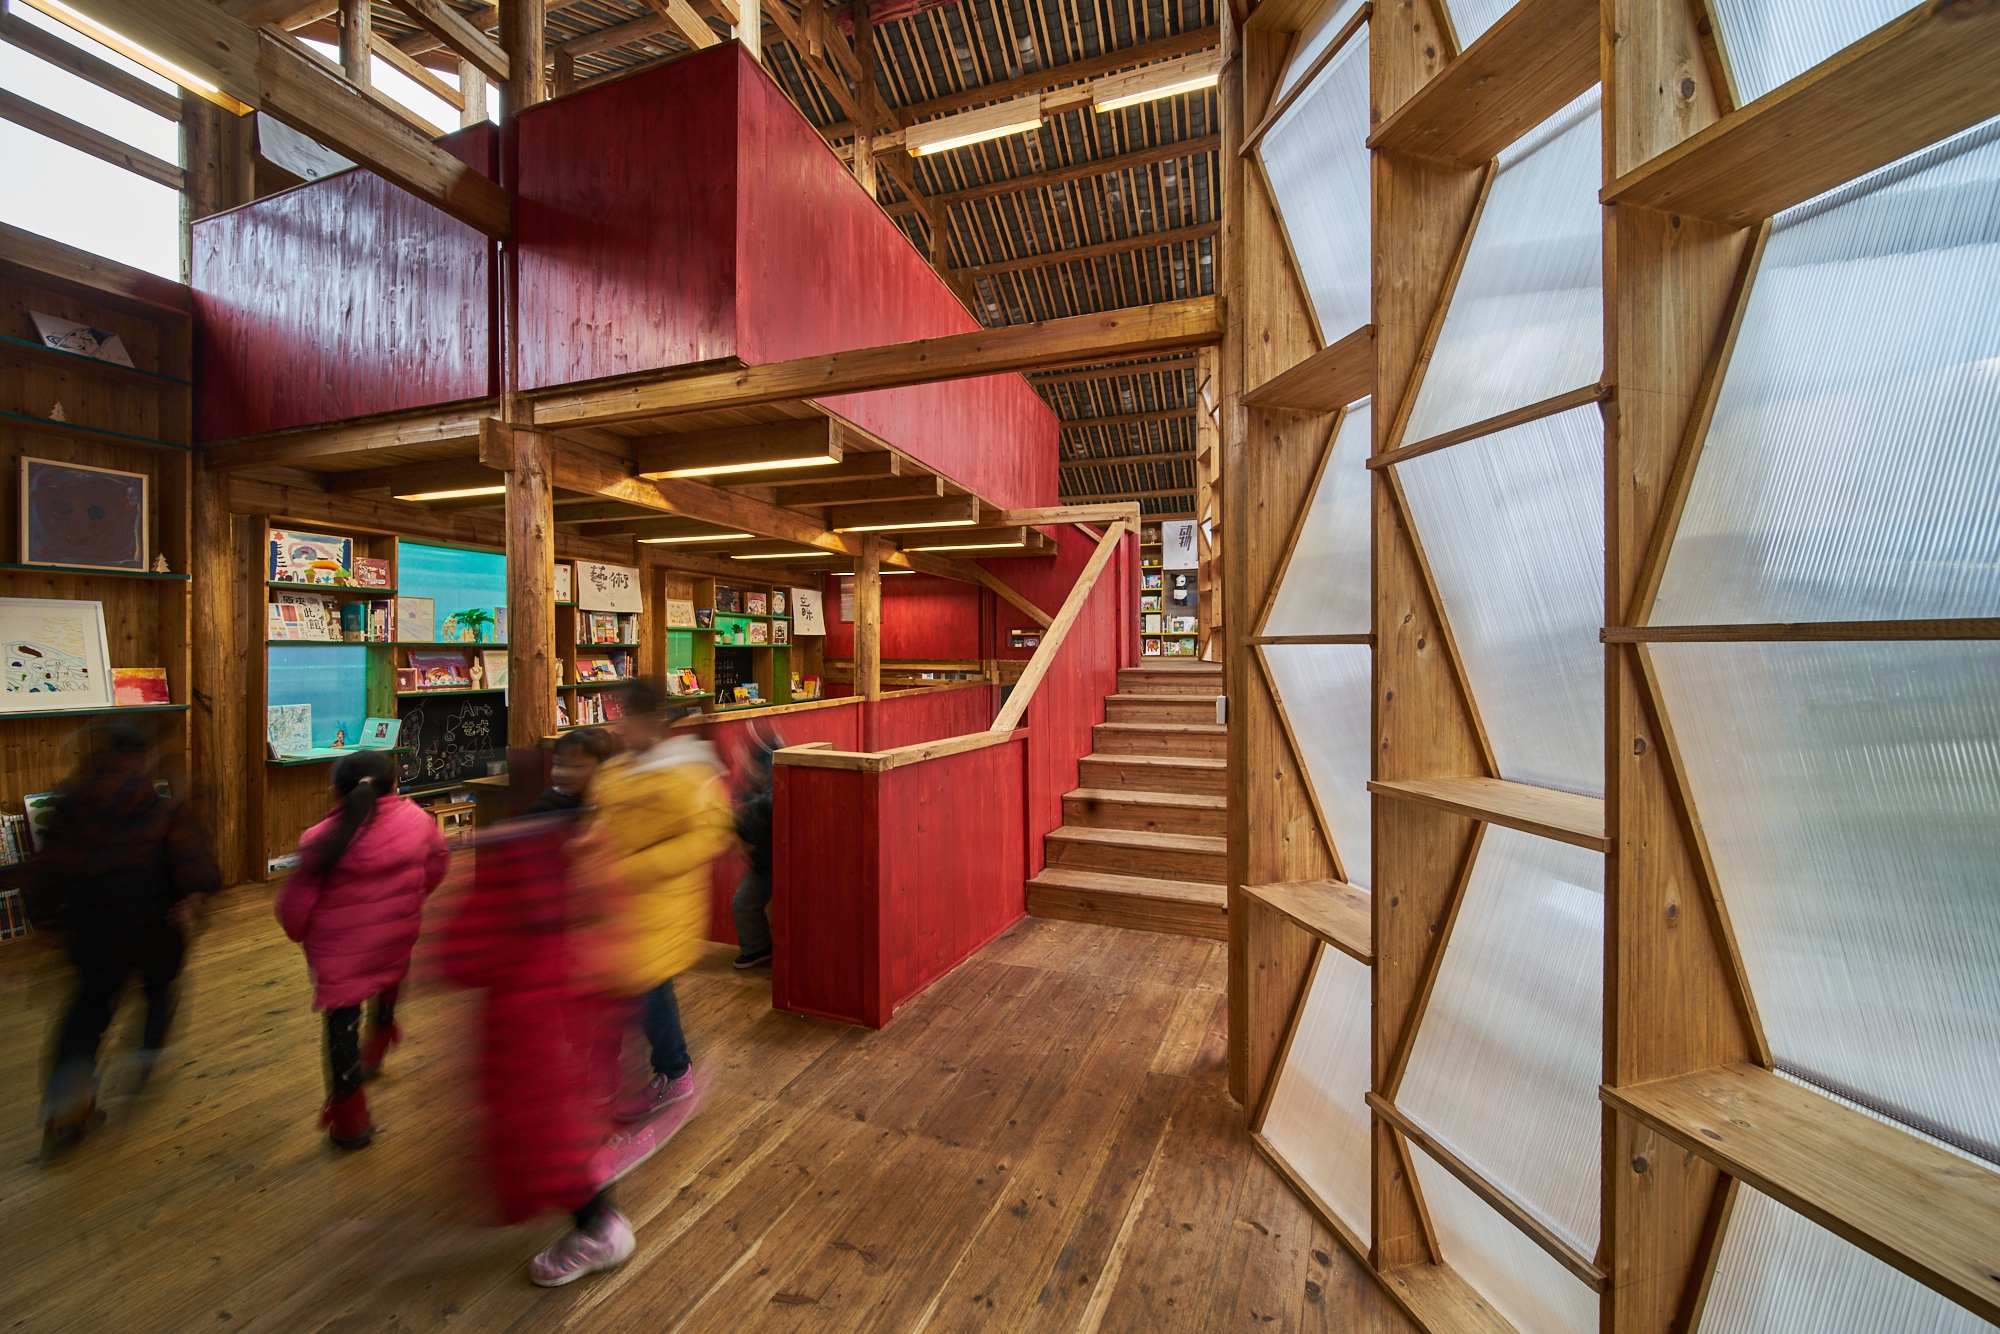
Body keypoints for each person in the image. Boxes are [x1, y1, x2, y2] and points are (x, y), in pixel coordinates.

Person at [439, 811, 633, 1286]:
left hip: (524, 1056)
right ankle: (597, 1212)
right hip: (550, 1055)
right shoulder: (571, 914)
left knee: (550, 1146)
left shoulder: (508, 900)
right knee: (562, 1137)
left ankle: (601, 1227)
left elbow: (457, 958)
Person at [35, 725, 220, 1158]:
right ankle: (147, 1055)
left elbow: (47, 872)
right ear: (142, 759)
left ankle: (67, 1112)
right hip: (155, 925)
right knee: (158, 991)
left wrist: (47, 925)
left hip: (91, 933)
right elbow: (194, 863)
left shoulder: (68, 806)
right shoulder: (161, 807)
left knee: (87, 1010)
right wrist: (194, 899)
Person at [274, 750, 449, 1149]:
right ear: (395, 785)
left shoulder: (321, 839)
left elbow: (294, 907)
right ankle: (381, 1036)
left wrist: (300, 933)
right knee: (389, 975)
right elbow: (438, 861)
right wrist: (412, 897)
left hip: (341, 952)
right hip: (397, 933)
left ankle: (350, 1120)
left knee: (341, 1024)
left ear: (336, 790)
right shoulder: (418, 820)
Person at [592, 679, 733, 1122]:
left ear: (652, 719)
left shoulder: (689, 774)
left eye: (627, 715)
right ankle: (650, 1072)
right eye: (618, 714)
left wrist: (631, 868)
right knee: (635, 995)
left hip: (659, 908)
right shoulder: (616, 771)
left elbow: (710, 834)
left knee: (648, 994)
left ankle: (675, 1071)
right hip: (619, 906)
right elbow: (603, 824)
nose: (620, 725)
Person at [729, 725, 780, 970]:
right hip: (765, 863)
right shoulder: (756, 790)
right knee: (743, 902)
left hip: (781, 861)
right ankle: (758, 948)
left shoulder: (776, 786)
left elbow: (763, 809)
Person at [525, 727, 616, 816]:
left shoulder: (614, 803)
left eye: (576, 767)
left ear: (604, 767)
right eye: (558, 764)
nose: (563, 774)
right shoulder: (542, 810)